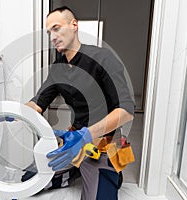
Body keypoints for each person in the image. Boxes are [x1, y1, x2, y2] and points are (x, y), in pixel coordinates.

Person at [26, 6, 135, 200]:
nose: (52, 36)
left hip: (103, 142)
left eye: (57, 28)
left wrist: (86, 135)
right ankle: (74, 169)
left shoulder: (103, 58)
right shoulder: (58, 68)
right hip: (74, 138)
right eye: (49, 32)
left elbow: (126, 110)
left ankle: (110, 171)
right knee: (28, 180)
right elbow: (38, 103)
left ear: (74, 25)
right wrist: (9, 113)